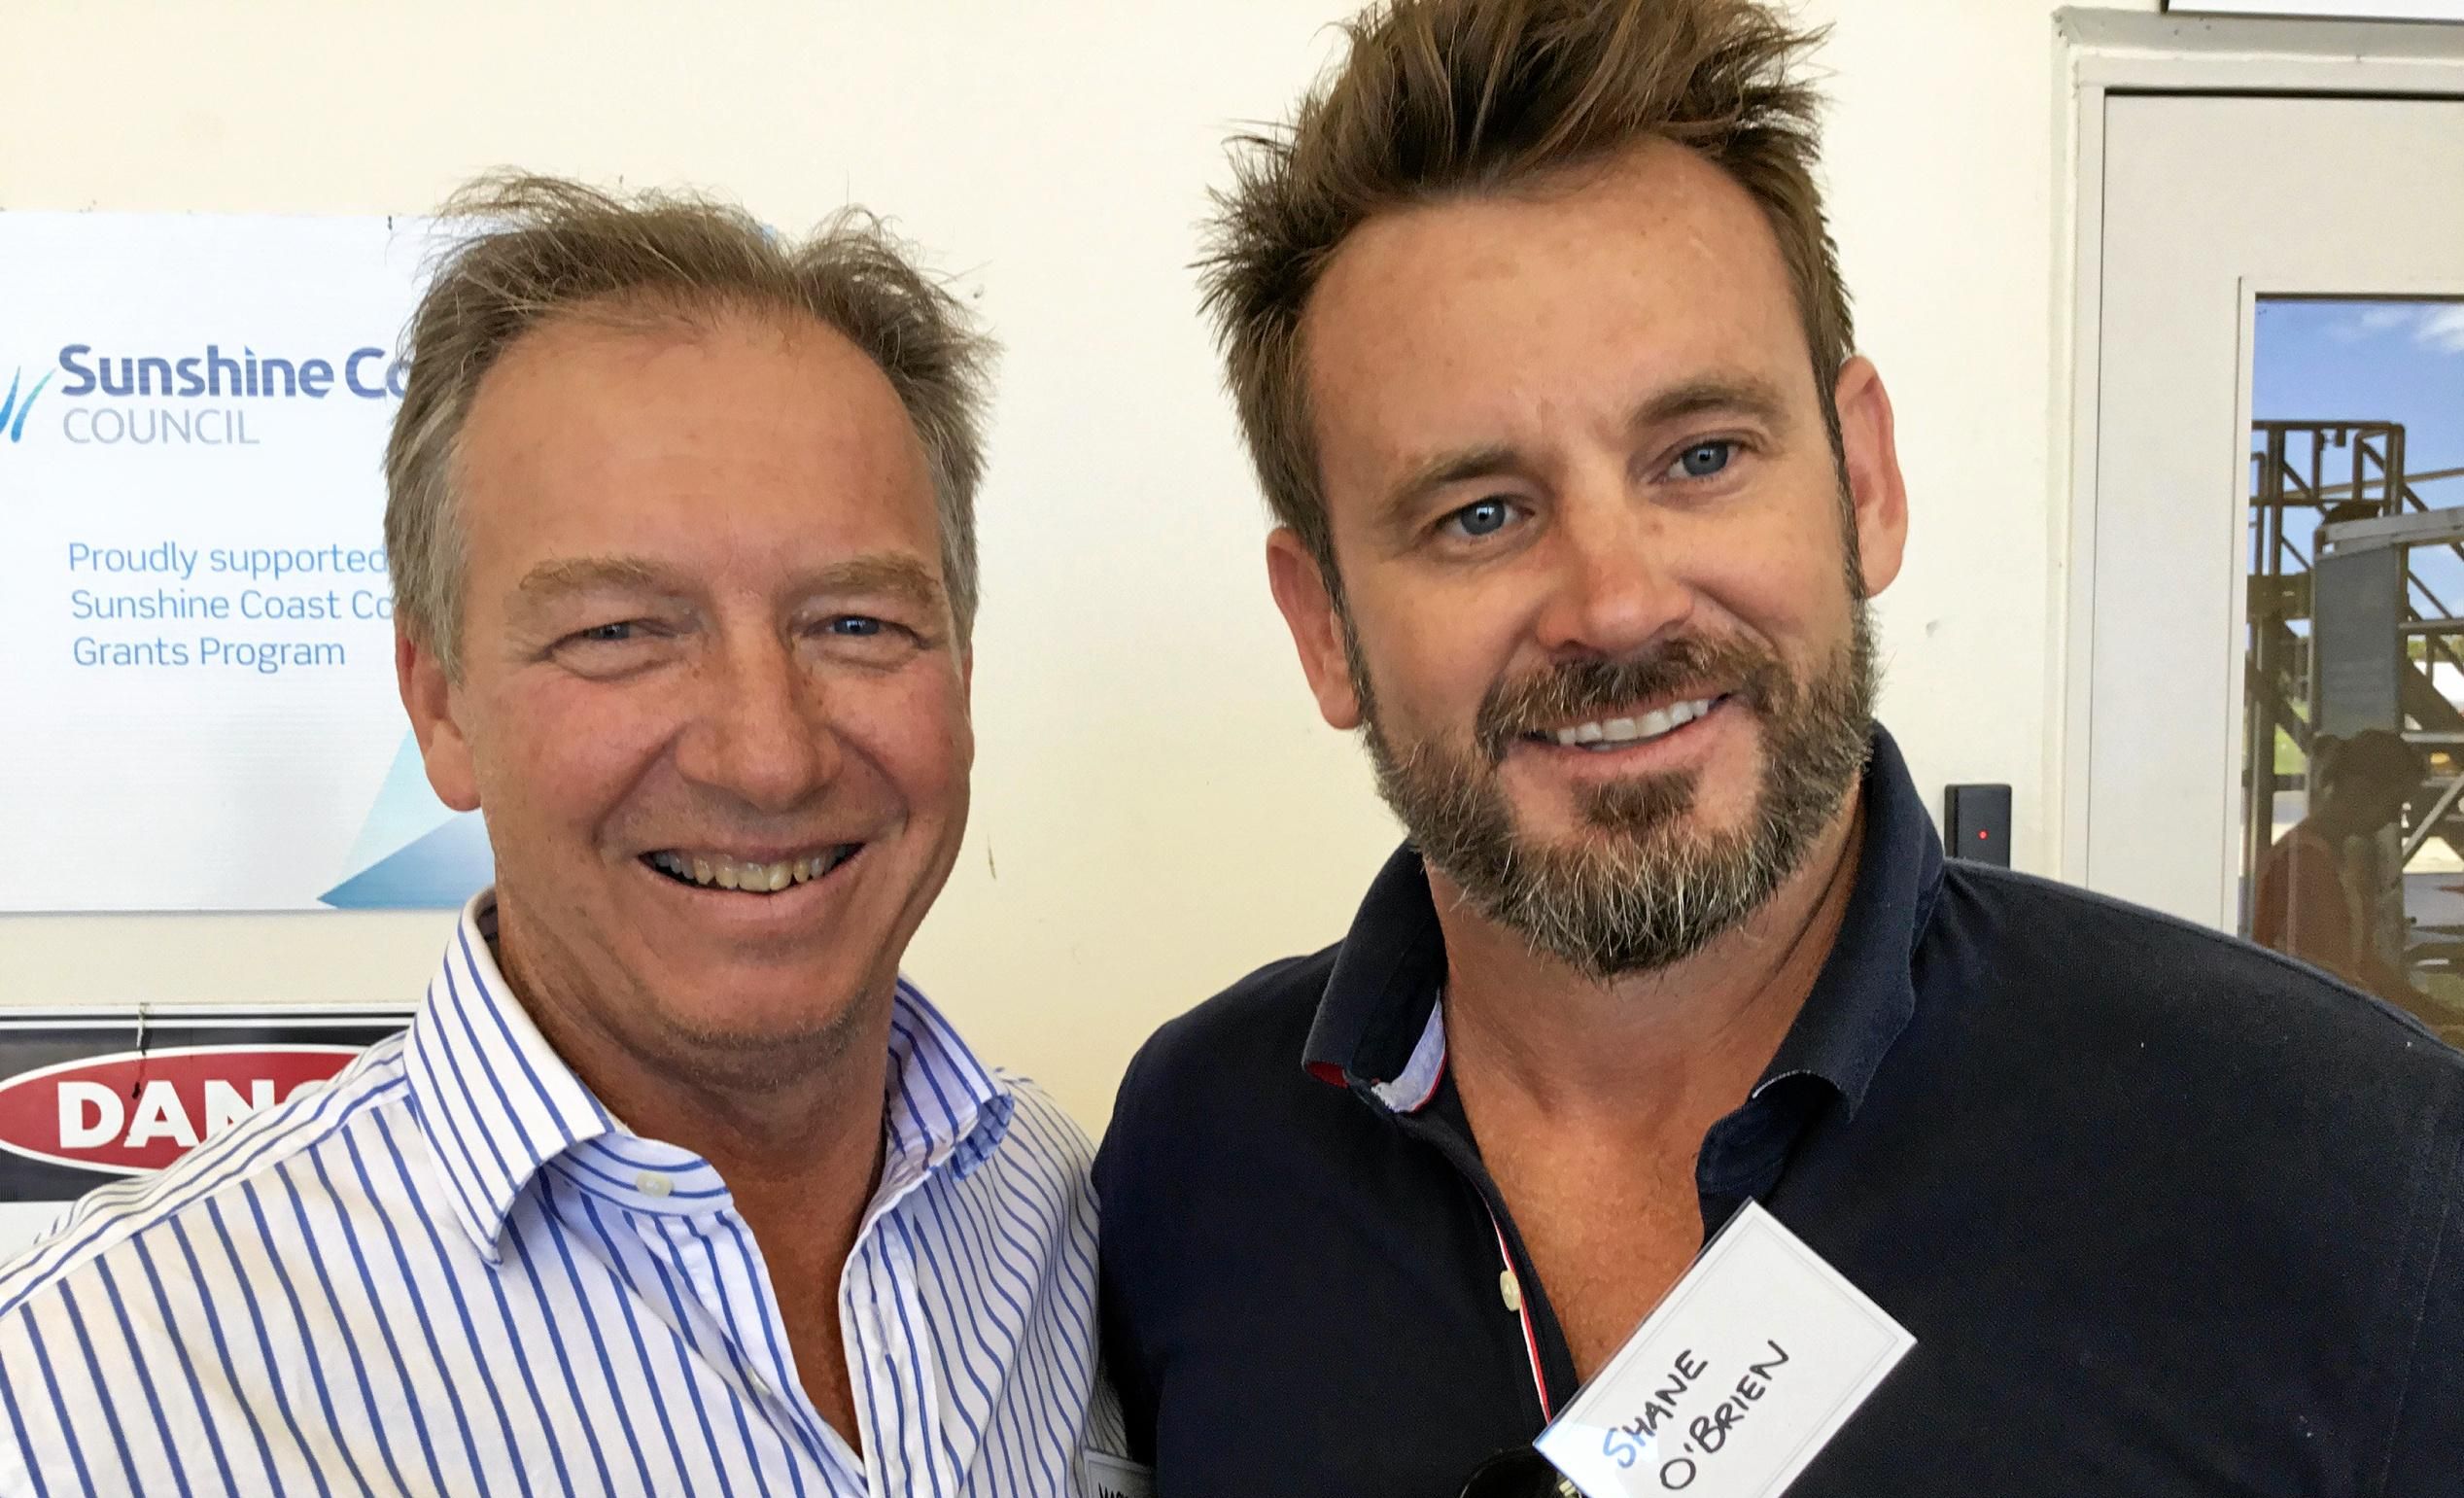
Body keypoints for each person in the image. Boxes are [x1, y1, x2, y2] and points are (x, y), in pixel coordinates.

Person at [1093, 3, 2464, 1494]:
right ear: (1322, 626)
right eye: (1476, 512)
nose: (1615, 603)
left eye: (1700, 455)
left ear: (1860, 479)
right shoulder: (1198, 1155)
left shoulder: (2354, 1174)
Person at [0, 175, 1118, 1495]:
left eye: (855, 624)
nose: (766, 754)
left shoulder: (1056, 1213)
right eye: (618, 632)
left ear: (962, 673)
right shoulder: (79, 1392)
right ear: (441, 707)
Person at [2252, 729, 2429, 1004]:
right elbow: (2335, 980)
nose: (2396, 817)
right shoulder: (2305, 862)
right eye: (2395, 804)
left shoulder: (2334, 857)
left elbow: (2363, 965)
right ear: (2362, 789)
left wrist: (2430, 1013)